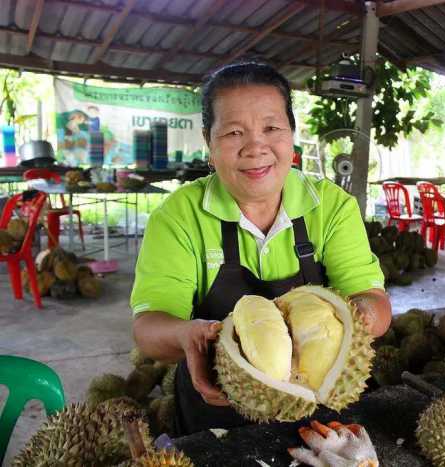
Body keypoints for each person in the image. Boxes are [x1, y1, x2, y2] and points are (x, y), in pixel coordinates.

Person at [130, 62, 391, 435]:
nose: (256, 147)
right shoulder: (178, 215)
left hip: (320, 404)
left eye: (271, 128)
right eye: (234, 132)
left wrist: (357, 317)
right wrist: (185, 336)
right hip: (217, 406)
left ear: (292, 135)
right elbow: (148, 327)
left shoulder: (332, 205)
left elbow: (374, 301)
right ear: (209, 142)